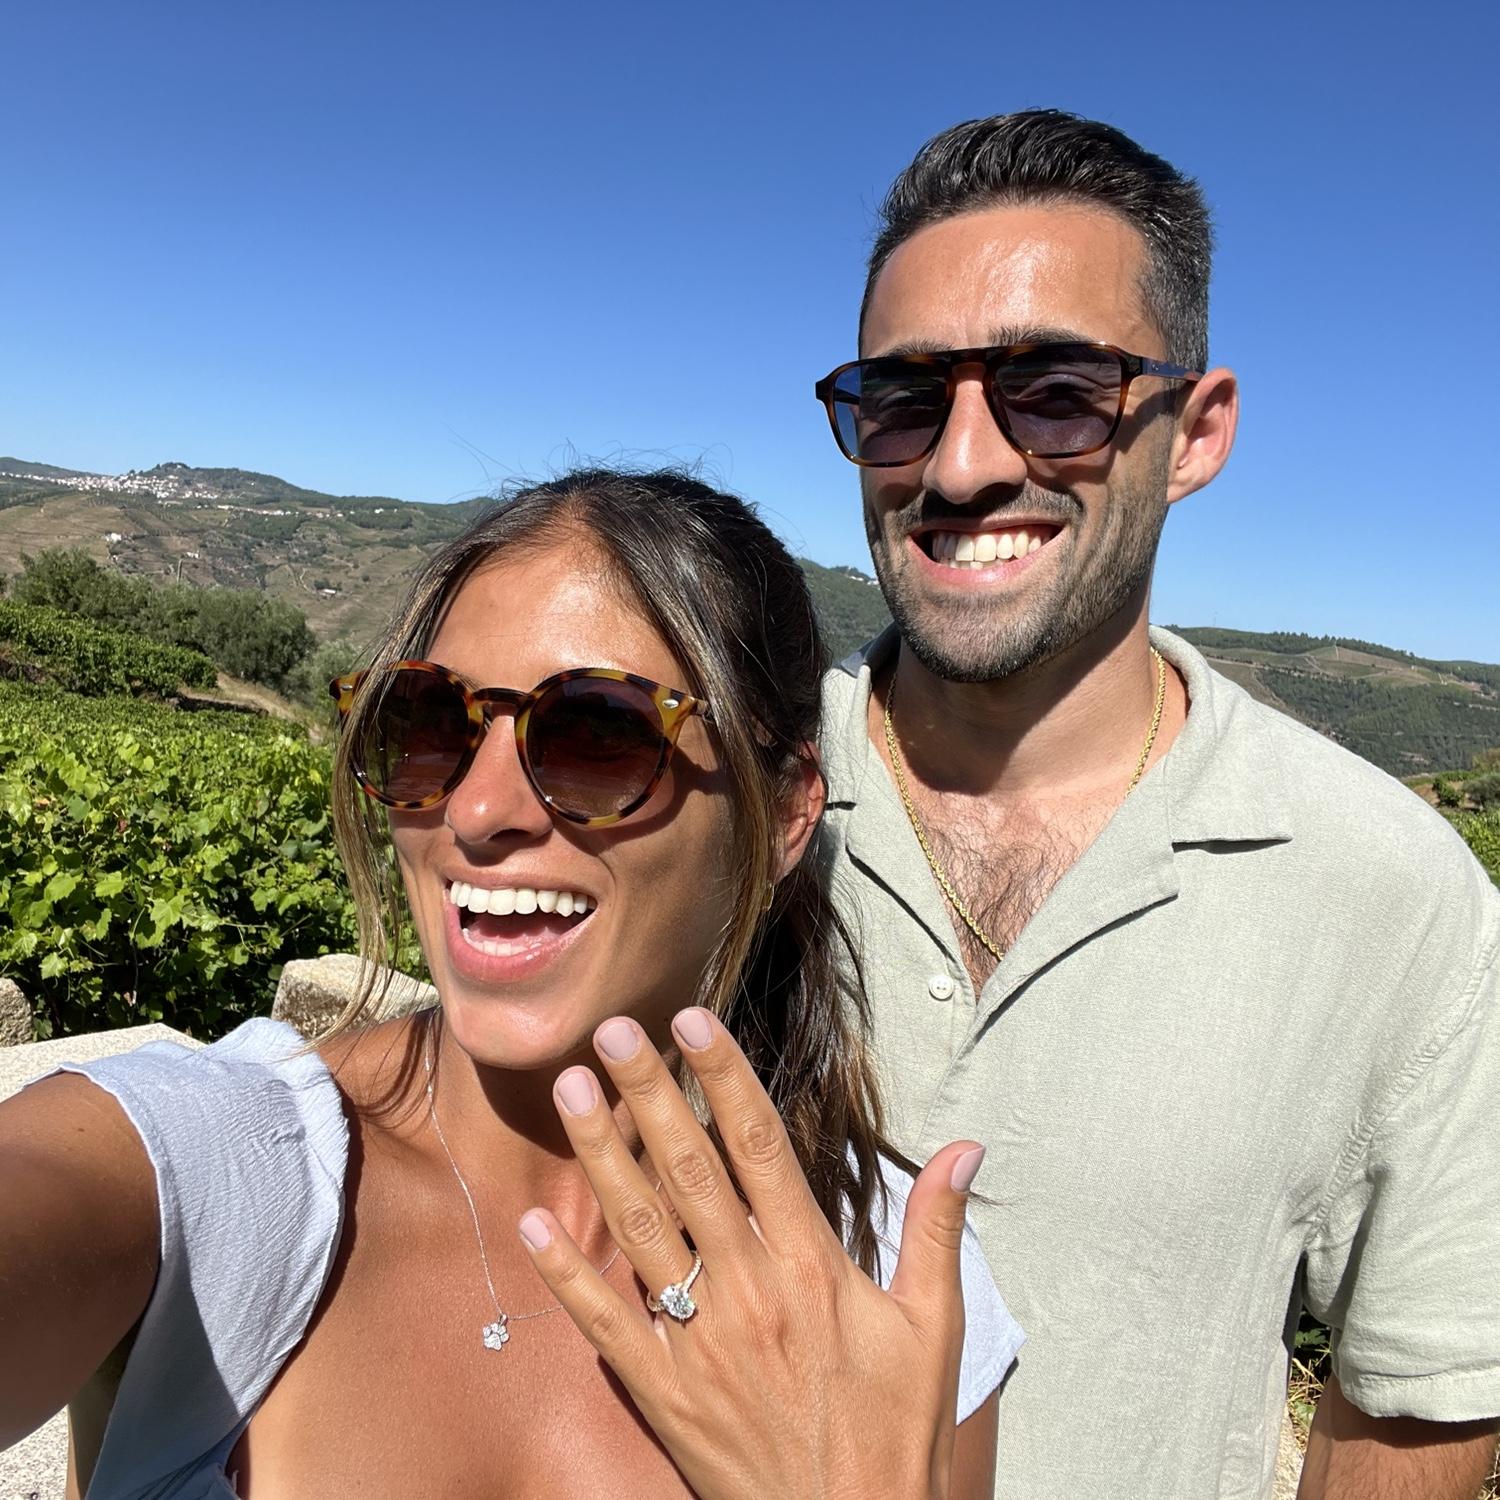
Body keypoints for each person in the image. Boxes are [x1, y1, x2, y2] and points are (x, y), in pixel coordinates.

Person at [0, 468, 1023, 1498]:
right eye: (427, 723)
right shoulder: (206, 1163)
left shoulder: (898, 1286)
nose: (477, 811)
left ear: (788, 813)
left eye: (596, 733)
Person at [813, 110, 1500, 1500]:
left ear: (1195, 432)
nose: (960, 466)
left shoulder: (1391, 892)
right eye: (901, 398)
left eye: (1056, 389)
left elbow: (1417, 1409)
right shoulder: (714, 796)